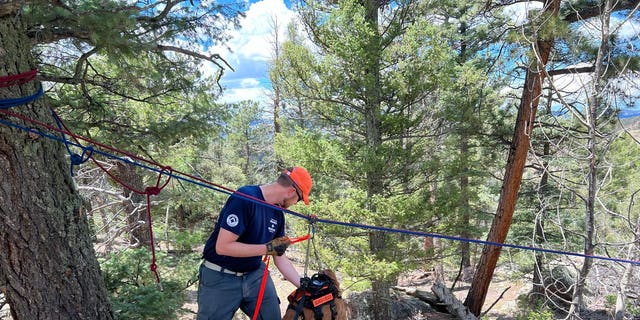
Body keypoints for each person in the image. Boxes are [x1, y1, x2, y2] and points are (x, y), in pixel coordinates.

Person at [197, 166, 313, 320]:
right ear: (292, 191)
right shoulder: (245, 198)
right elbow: (223, 247)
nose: (295, 204)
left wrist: (305, 287)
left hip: (254, 275)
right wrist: (268, 248)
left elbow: (279, 256)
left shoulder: (277, 213)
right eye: (299, 199)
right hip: (220, 276)